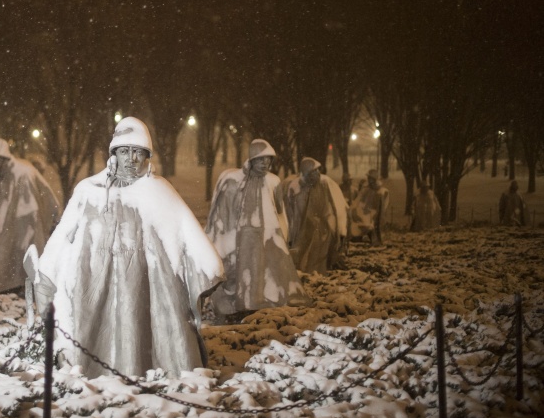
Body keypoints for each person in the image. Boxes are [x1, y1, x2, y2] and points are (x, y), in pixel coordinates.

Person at [29, 117, 224, 378]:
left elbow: (187, 237)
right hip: (95, 289)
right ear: (113, 154)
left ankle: (151, 366)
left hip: (147, 289)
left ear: (147, 156)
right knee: (98, 327)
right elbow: (63, 238)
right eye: (124, 151)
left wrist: (206, 268)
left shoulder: (159, 192)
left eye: (138, 152)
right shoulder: (89, 192)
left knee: (140, 325)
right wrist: (46, 271)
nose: (131, 158)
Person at [205, 139, 311, 322]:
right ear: (252, 159)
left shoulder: (273, 181)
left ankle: (260, 302)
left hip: (267, 234)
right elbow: (225, 211)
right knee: (241, 272)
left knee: (267, 271)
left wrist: (282, 235)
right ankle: (241, 304)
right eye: (261, 159)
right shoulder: (236, 181)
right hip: (244, 235)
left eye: (269, 160)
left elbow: (280, 212)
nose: (265, 164)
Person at [0, 138, 60, 293]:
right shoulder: (0, 173)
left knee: (24, 251)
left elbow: (26, 206)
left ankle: (24, 285)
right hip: (13, 221)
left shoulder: (21, 173)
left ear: (3, 159)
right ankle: (11, 283)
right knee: (7, 252)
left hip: (26, 222)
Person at [283, 157, 348, 274]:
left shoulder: (326, 182)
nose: (316, 174)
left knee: (320, 245)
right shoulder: (297, 186)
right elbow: (294, 211)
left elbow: (338, 206)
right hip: (308, 223)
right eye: (312, 172)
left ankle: (320, 268)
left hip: (326, 221)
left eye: (317, 170)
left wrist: (340, 228)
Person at [349, 169, 390, 245]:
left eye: (370, 178)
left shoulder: (380, 191)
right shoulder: (366, 188)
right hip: (365, 211)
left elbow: (380, 207)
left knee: (370, 222)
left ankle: (375, 238)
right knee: (356, 218)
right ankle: (357, 237)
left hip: (374, 212)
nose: (369, 180)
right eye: (368, 178)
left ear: (374, 179)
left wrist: (373, 212)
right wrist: (354, 208)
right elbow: (359, 200)